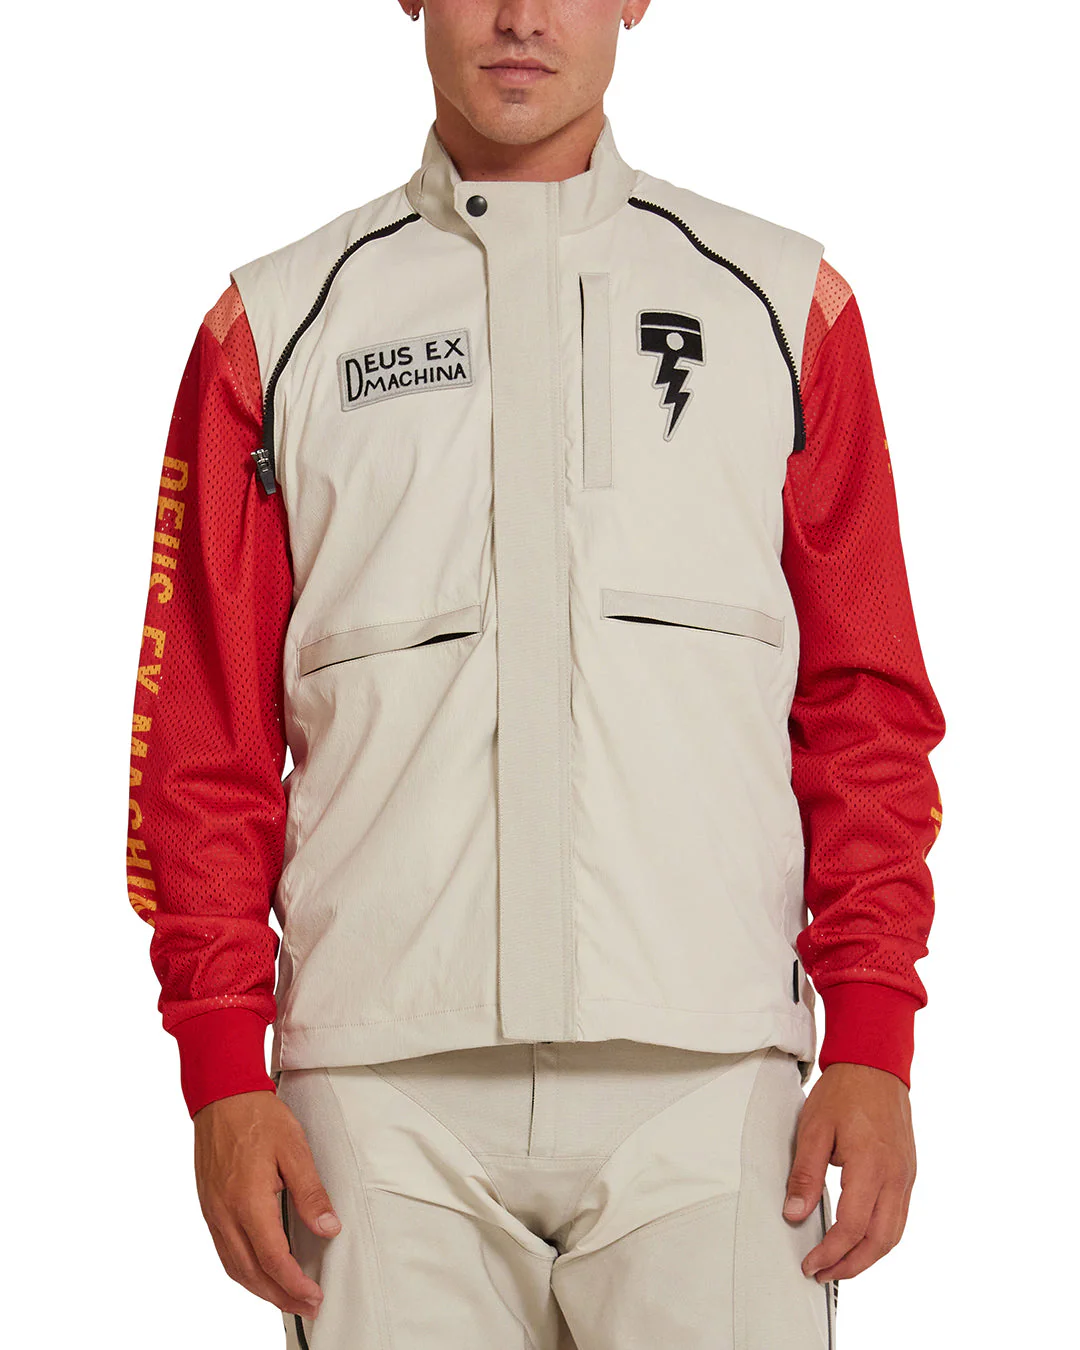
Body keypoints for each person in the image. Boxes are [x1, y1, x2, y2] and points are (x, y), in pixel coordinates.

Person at [124, 2, 945, 1345]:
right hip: (377, 1091)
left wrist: (872, 1031)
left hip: (712, 1074)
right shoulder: (273, 329)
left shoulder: (781, 307)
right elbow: (202, 738)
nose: (519, 15)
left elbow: (865, 706)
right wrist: (220, 1063)